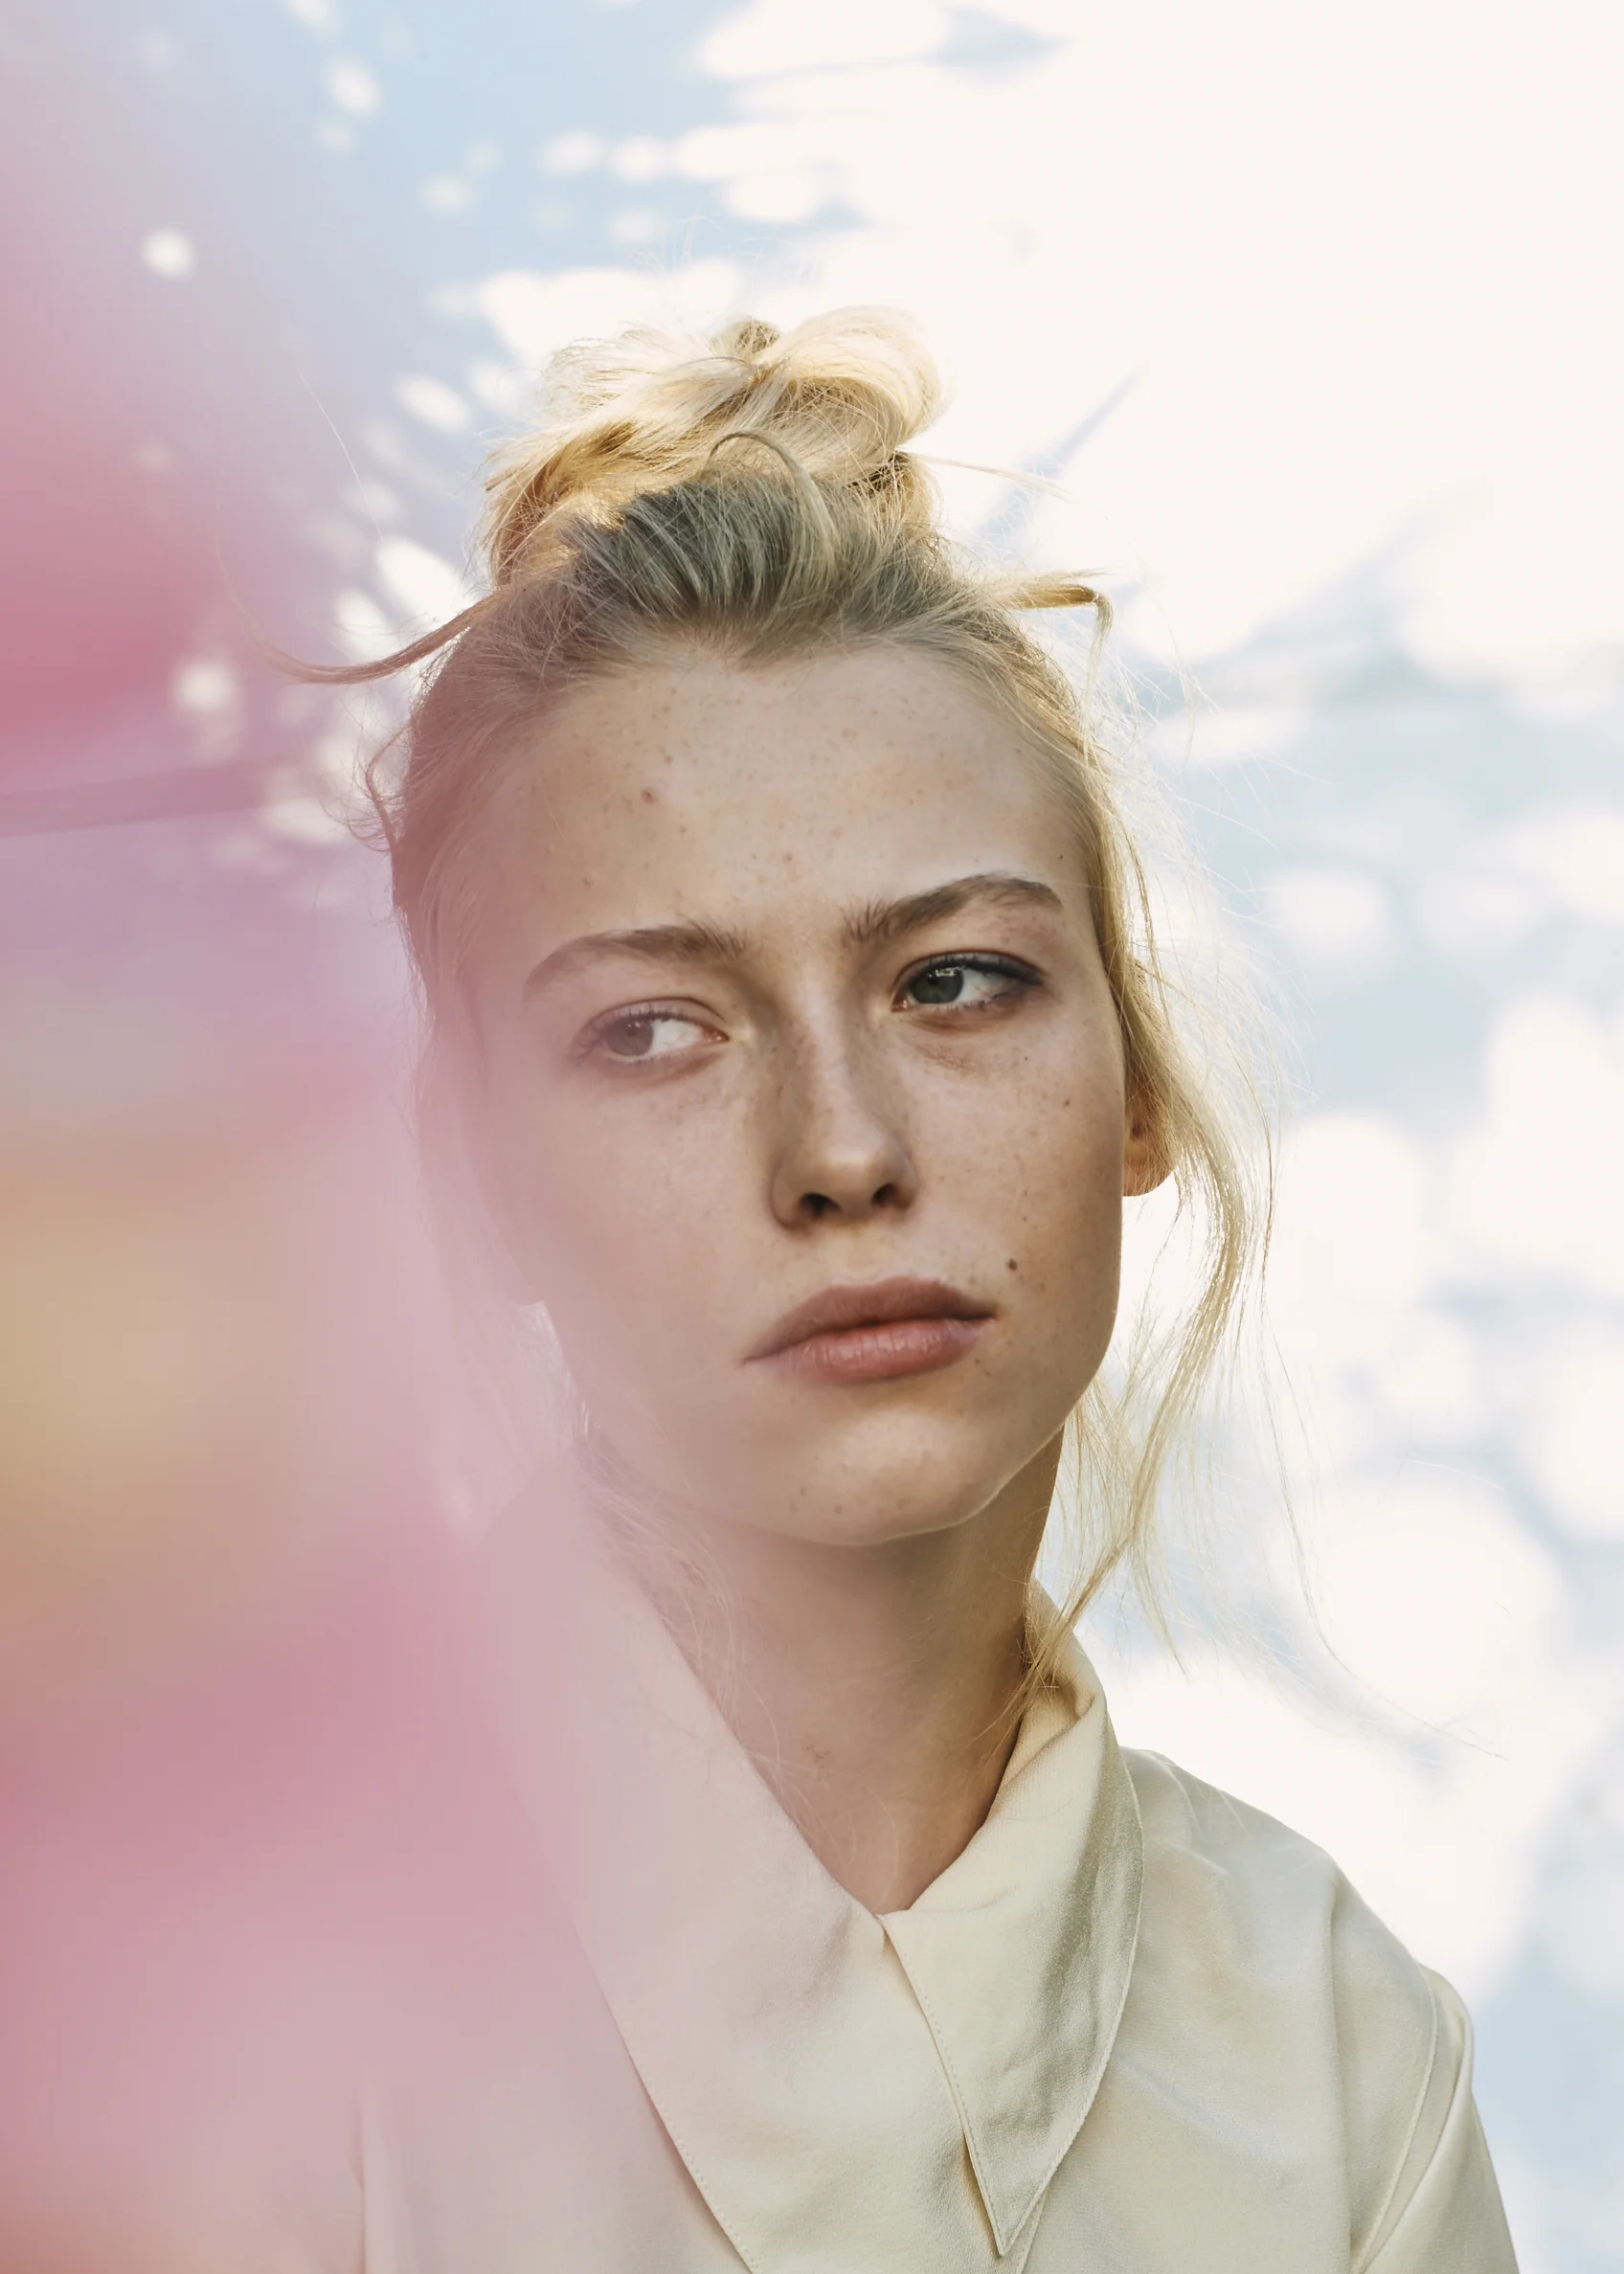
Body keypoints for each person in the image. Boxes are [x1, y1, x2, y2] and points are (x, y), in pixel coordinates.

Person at [322, 309, 1517, 2272]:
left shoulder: (1332, 2051)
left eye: (953, 979)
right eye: (650, 1028)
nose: (843, 1147)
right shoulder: (207, 1996)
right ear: (473, 1185)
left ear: (1133, 1079)